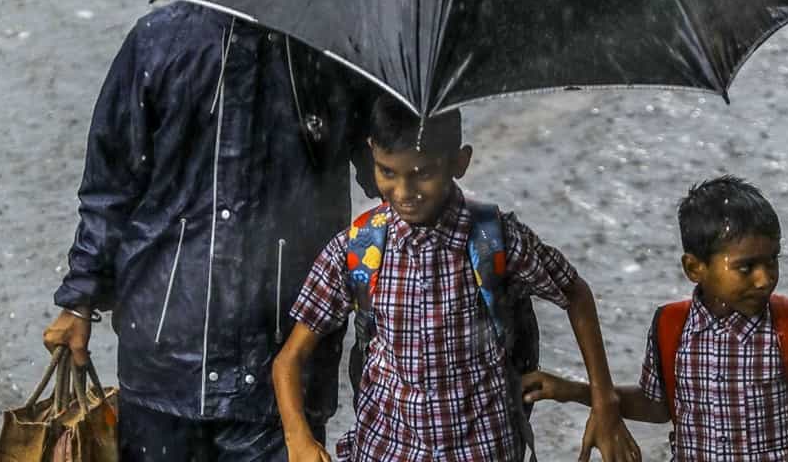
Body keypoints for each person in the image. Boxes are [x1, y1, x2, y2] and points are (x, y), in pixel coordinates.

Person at [42, 1, 374, 461]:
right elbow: (111, 183)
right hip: (169, 365)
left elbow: (390, 169)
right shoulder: (159, 43)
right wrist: (79, 299)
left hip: (278, 372)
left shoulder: (337, 54)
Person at [272, 96, 641, 462]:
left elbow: (574, 293)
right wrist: (298, 438)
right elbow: (288, 359)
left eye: (422, 174)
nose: (404, 193)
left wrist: (603, 400)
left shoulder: (496, 240)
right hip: (386, 449)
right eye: (388, 172)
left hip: (483, 447)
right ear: (372, 156)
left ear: (459, 162)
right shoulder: (358, 248)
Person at [522, 175, 788, 461]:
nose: (765, 277)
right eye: (745, 267)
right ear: (695, 268)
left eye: (772, 260)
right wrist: (574, 391)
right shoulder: (671, 328)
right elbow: (658, 405)